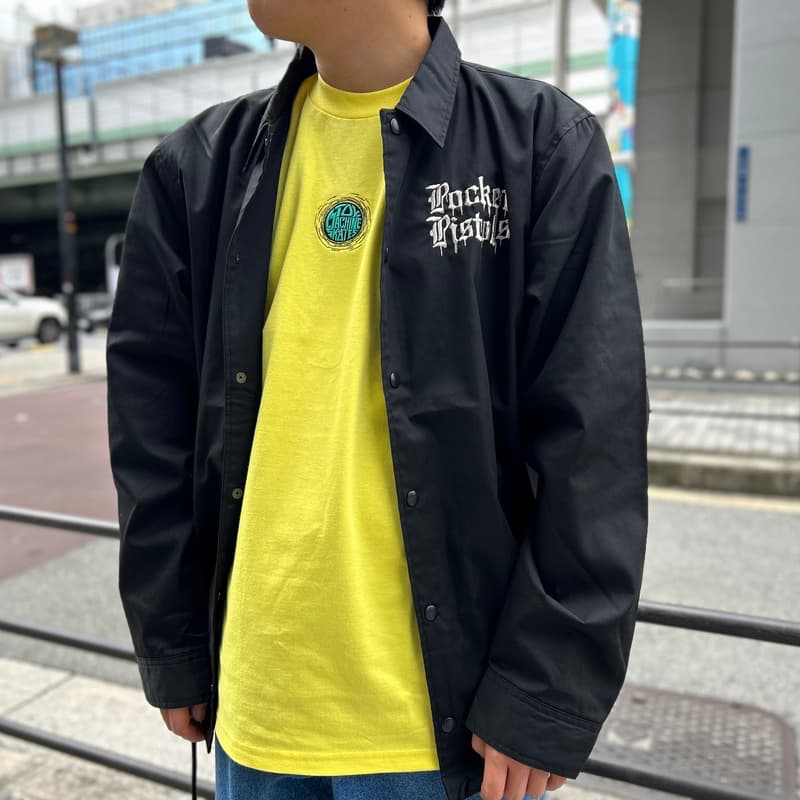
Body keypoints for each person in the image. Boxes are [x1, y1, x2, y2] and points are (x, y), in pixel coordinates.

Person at [106, 1, 650, 799]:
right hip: (256, 708)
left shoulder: (538, 144)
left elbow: (592, 441)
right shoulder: (197, 169)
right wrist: (173, 638)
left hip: (445, 729)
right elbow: (150, 428)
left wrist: (544, 689)